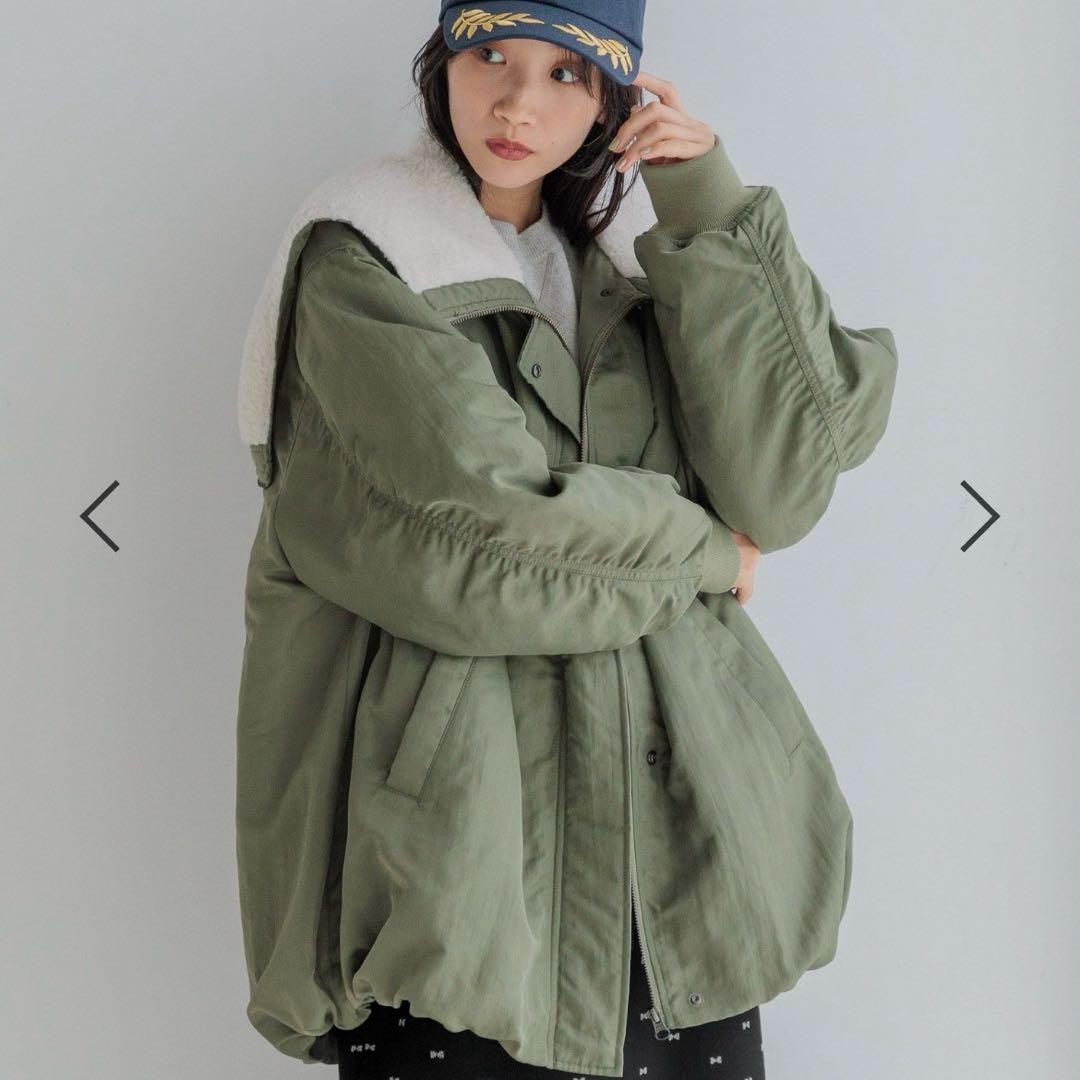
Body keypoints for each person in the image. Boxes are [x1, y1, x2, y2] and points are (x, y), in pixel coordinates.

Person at [233, 2, 898, 1077]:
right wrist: (702, 555)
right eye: (490, 55)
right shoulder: (364, 256)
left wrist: (705, 204)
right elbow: (483, 537)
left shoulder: (638, 260)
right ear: (442, 62)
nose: (516, 103)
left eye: (565, 75)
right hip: (461, 877)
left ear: (612, 100)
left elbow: (781, 485)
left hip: (678, 867)